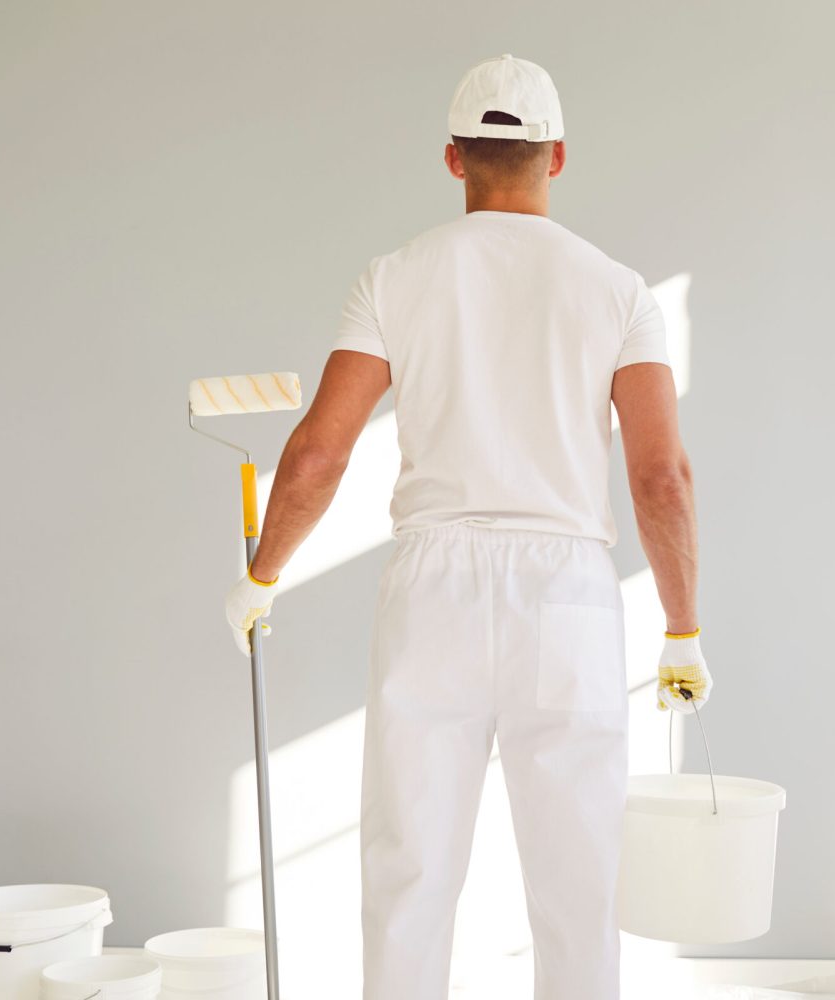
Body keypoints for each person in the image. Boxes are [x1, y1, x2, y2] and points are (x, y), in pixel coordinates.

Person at [223, 53, 710, 1000]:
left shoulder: (395, 278)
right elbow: (662, 476)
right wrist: (682, 628)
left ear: (453, 159)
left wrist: (262, 574)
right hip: (566, 592)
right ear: (557, 156)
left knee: (410, 870)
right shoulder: (618, 291)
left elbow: (319, 453)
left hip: (433, 590)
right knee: (579, 880)